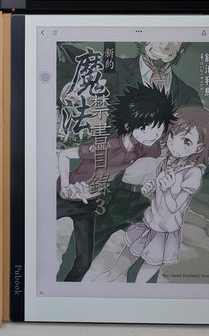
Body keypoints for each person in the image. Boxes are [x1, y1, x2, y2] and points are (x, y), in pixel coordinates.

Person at [56, 83, 176, 281]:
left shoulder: (145, 146)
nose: (153, 134)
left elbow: (166, 151)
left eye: (158, 128)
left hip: (89, 205)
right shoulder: (107, 145)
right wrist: (66, 186)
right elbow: (64, 155)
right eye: (146, 128)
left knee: (83, 262)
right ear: (128, 126)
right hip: (66, 196)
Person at [95, 105, 209, 283]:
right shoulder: (168, 162)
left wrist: (168, 189)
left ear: (199, 147)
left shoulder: (193, 173)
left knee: (141, 283)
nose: (174, 144)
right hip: (148, 224)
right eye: (172, 135)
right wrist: (150, 191)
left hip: (164, 234)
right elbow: (158, 200)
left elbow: (175, 207)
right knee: (114, 270)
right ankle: (99, 287)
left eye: (186, 141)